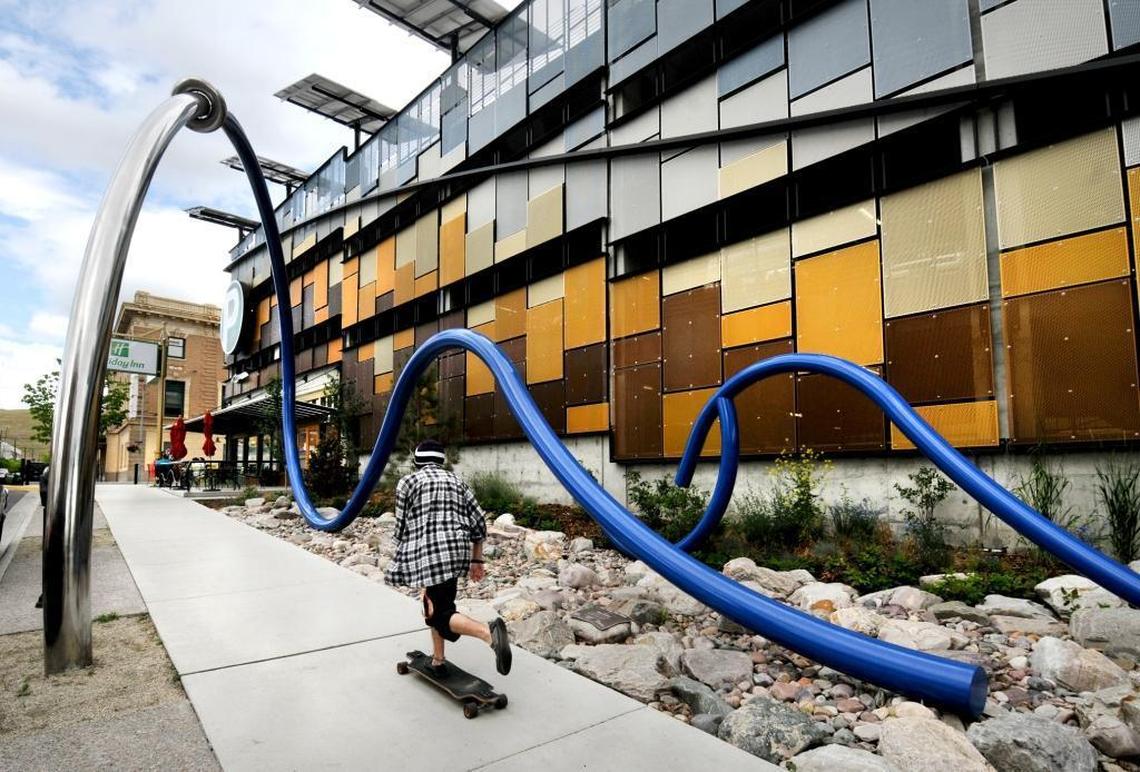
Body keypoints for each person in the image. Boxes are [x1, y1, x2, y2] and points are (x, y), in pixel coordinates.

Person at [384, 440, 511, 677]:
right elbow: (479, 524)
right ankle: (438, 659)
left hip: (429, 553)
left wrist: (400, 561)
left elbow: (401, 528)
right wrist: (476, 560)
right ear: (442, 461)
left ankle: (488, 633)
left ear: (417, 461)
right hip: (456, 551)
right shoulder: (458, 482)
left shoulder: (408, 482)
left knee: (438, 613)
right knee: (438, 604)